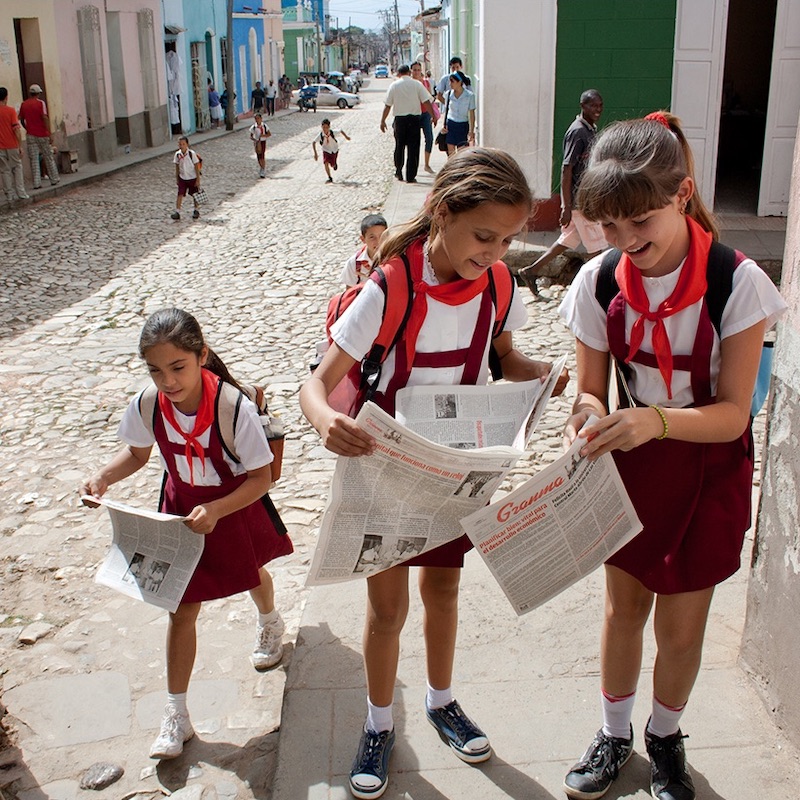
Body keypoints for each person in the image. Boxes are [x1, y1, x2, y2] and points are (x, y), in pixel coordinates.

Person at [300, 147, 568, 800]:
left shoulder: (501, 286)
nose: (496, 252)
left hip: (455, 463)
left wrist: (541, 378)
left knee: (443, 595)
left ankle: (441, 701)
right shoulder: (392, 285)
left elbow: (504, 357)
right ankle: (378, 721)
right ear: (442, 212)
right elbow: (319, 383)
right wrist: (323, 421)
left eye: (507, 240)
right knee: (386, 607)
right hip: (389, 464)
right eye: (484, 237)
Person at [558, 112, 787, 800]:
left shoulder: (737, 283)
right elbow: (591, 392)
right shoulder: (600, 281)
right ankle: (613, 732)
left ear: (682, 194)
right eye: (612, 230)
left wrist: (654, 421)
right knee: (622, 612)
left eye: (642, 225)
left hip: (707, 462)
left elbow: (732, 414)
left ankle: (665, 738)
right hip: (630, 464)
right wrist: (586, 423)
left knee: (682, 629)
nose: (629, 244)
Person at [81, 308, 293, 759]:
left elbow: (261, 479)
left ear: (202, 356)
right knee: (181, 608)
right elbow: (137, 454)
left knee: (252, 573)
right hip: (181, 511)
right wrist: (103, 477)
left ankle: (270, 620)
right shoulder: (147, 403)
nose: (168, 381)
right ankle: (176, 714)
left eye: (178, 367)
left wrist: (217, 508)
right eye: (156, 371)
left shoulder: (232, 407)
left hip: (231, 506)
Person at [525, 89, 607, 277]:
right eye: (593, 105)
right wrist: (566, 206)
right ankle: (596, 285)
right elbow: (566, 169)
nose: (598, 109)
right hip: (579, 202)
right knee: (597, 250)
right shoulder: (578, 131)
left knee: (568, 239)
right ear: (583, 106)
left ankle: (531, 271)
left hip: (584, 198)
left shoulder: (589, 129)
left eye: (600, 105)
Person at [379, 64, 434, 184]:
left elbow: (387, 105)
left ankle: (399, 170)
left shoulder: (394, 85)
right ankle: (410, 175)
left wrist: (383, 120)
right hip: (414, 120)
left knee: (399, 146)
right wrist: (433, 115)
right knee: (413, 148)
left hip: (400, 121)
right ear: (409, 73)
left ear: (398, 74)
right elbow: (426, 102)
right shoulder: (417, 84)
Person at [18, 83, 60, 189]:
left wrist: (26, 127)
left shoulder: (24, 104)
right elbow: (44, 117)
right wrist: (49, 132)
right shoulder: (41, 103)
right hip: (42, 134)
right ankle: (54, 178)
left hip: (30, 134)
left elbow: (21, 118)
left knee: (34, 159)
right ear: (38, 93)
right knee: (48, 156)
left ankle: (37, 182)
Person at [338, 213, 388, 287]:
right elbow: (350, 292)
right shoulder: (354, 264)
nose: (378, 241)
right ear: (363, 239)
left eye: (382, 236)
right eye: (372, 237)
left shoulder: (394, 258)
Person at [0, 87, 29, 205]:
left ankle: (9, 195)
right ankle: (21, 192)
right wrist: (20, 145)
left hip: (0, 146)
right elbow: (16, 129)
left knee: (4, 170)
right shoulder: (10, 111)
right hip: (12, 145)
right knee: (17, 168)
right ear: (6, 97)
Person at [438, 71, 475, 157]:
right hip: (451, 125)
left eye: (452, 81)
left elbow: (472, 114)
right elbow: (447, 109)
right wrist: (444, 125)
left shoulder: (469, 96)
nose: (450, 84)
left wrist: (471, 131)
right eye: (450, 81)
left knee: (461, 154)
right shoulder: (448, 94)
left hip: (462, 125)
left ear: (460, 82)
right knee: (451, 155)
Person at [411, 62, 436, 173]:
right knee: (414, 141)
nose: (417, 72)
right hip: (414, 114)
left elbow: (430, 99)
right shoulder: (410, 84)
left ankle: (427, 164)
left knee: (429, 138)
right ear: (411, 71)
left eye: (418, 70)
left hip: (425, 114)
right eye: (414, 70)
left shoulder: (426, 82)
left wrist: (432, 115)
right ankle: (413, 165)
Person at [171, 136, 201, 220]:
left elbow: (196, 167)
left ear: (187, 144)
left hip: (192, 177)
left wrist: (198, 179)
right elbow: (177, 167)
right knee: (180, 194)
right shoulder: (177, 155)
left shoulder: (191, 154)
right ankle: (177, 211)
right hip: (182, 177)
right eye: (180, 144)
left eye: (183, 144)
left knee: (194, 194)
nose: (181, 146)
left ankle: (196, 210)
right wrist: (177, 178)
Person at [312, 118, 351, 183]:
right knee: (325, 162)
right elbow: (313, 142)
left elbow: (340, 130)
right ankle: (329, 177)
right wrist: (315, 154)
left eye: (326, 127)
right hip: (326, 150)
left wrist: (346, 137)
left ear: (329, 127)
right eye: (323, 127)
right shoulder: (321, 135)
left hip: (334, 150)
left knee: (332, 164)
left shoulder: (332, 132)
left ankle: (334, 164)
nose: (325, 129)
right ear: (321, 127)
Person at [249, 113, 271, 179]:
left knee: (262, 156)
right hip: (257, 142)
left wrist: (263, 136)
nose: (257, 120)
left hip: (263, 142)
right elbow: (251, 136)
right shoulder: (254, 127)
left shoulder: (264, 126)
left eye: (258, 118)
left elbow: (269, 134)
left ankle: (263, 169)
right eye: (256, 119)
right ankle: (261, 167)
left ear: (261, 119)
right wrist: (255, 140)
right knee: (258, 156)